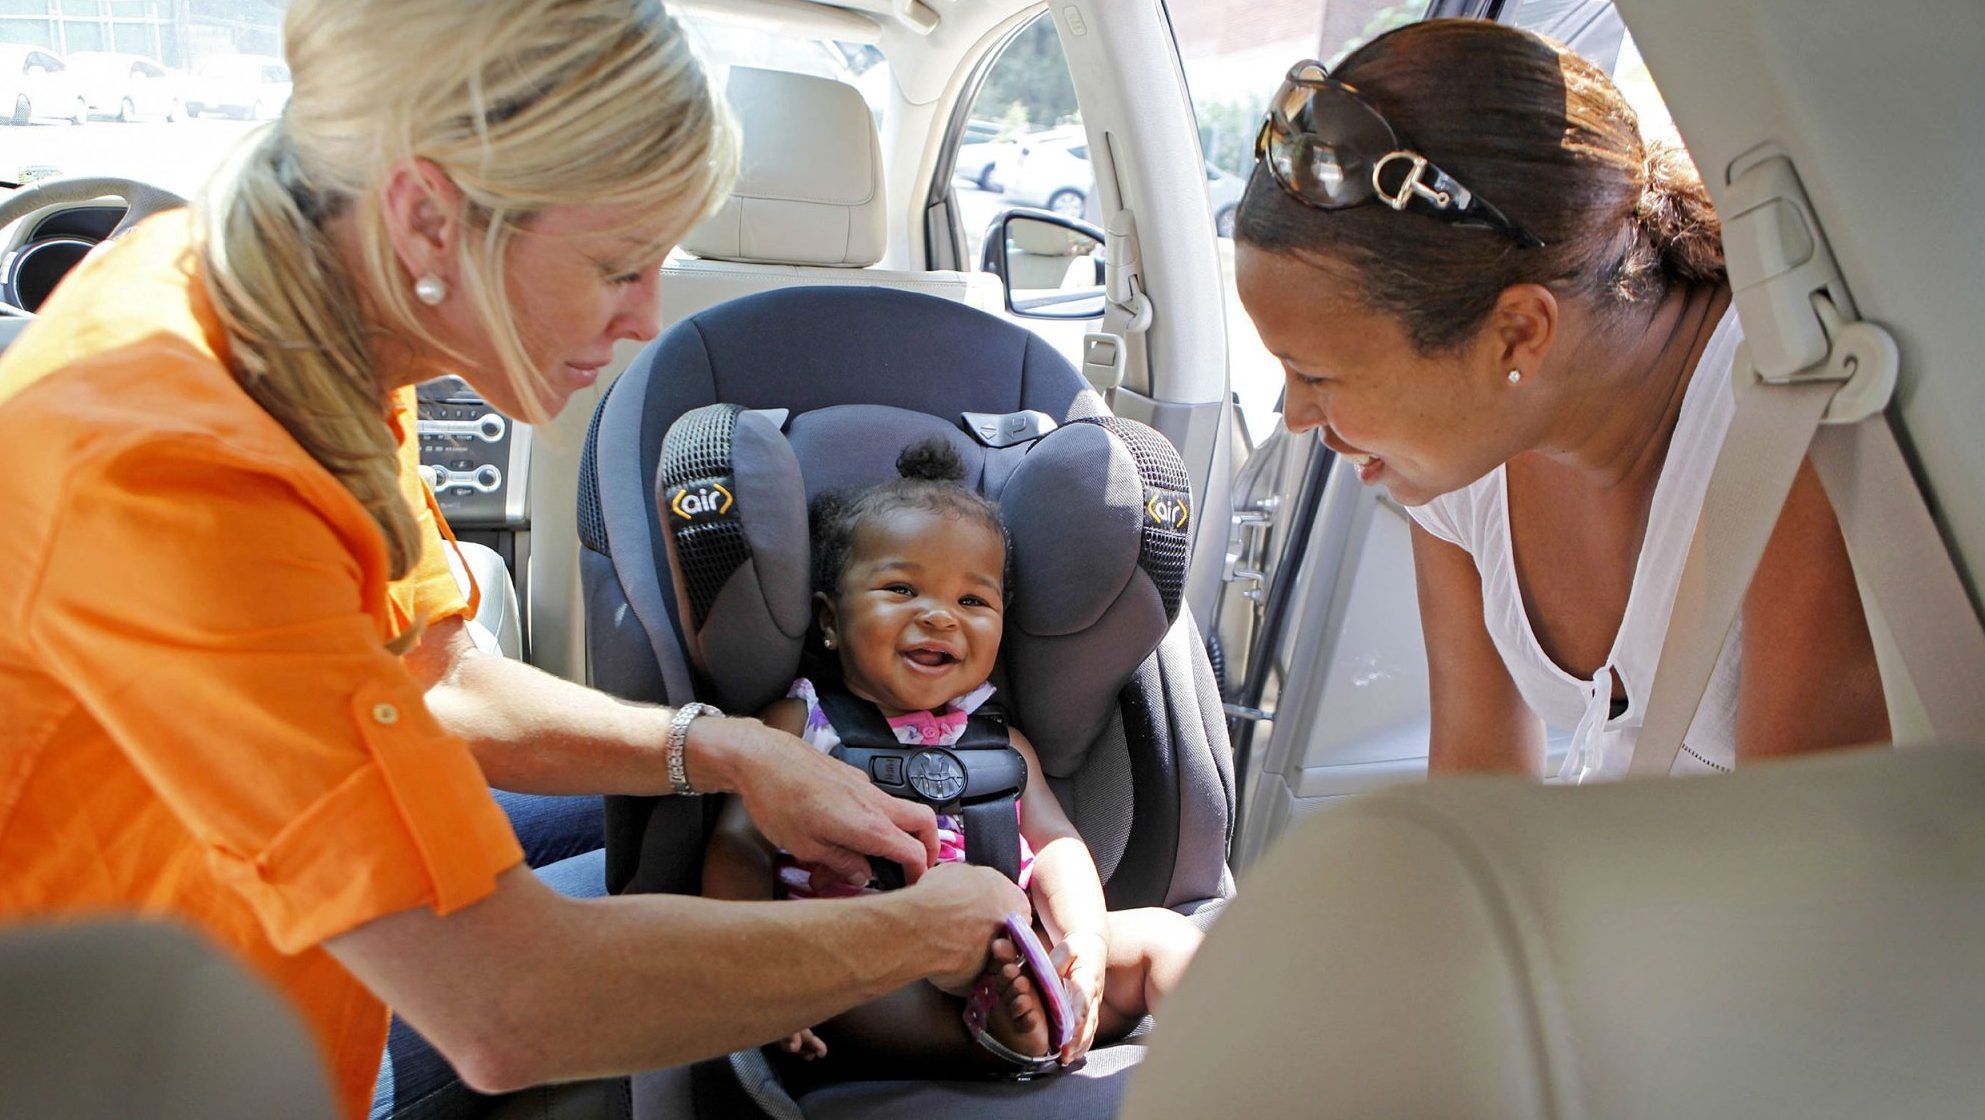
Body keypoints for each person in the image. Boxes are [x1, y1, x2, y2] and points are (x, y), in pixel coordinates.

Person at [0, 3, 1030, 1119]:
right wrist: (926, 925)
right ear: (429, 218)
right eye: (617, 265)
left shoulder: (293, 317)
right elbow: (509, 1006)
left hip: (262, 946)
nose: (644, 320)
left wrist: (731, 752)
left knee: (643, 823)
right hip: (157, 1061)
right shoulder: (180, 471)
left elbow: (434, 678)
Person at [1233, 20, 1888, 781]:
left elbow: (1808, 869)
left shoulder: (1786, 434)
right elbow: (1477, 800)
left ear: (1517, 333)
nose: (1295, 419)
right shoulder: (1463, 459)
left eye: (1316, 376)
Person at [703, 440, 1202, 1079]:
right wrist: (760, 972)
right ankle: (1008, 1035)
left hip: (1016, 949)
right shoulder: (799, 723)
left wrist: (1086, 942)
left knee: (1168, 938)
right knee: (841, 983)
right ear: (830, 618)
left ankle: (1225, 1071)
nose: (940, 616)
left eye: (973, 601)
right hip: (863, 961)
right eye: (902, 588)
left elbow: (1054, 845)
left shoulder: (1005, 742)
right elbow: (739, 846)